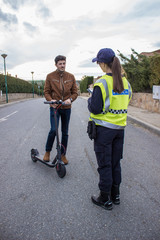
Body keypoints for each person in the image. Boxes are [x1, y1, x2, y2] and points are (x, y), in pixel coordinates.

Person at [88, 48, 132, 210]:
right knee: (115, 164)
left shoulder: (101, 83)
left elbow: (95, 109)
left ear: (103, 63)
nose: (98, 64)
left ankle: (105, 198)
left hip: (104, 131)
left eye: (98, 62)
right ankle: (116, 195)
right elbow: (127, 99)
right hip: (120, 130)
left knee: (105, 165)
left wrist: (90, 99)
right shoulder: (125, 82)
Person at [43, 55, 78, 164]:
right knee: (54, 130)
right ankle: (47, 152)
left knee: (65, 132)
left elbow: (75, 92)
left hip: (66, 108)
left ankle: (63, 154)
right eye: (60, 64)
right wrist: (50, 100)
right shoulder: (50, 76)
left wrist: (70, 99)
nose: (62, 65)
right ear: (56, 65)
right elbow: (46, 92)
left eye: (64, 63)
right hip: (55, 107)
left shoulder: (71, 76)